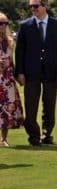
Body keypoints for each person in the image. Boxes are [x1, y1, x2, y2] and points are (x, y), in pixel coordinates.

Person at [14, 0, 57, 146]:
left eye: (36, 6)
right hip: (31, 72)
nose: (33, 9)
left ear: (45, 6)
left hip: (52, 72)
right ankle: (34, 136)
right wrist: (20, 72)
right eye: (31, 6)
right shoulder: (25, 26)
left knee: (49, 106)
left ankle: (47, 134)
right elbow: (20, 51)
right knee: (31, 107)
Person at [0, 11, 25, 146]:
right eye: (0, 23)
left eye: (5, 23)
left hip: (8, 80)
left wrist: (17, 76)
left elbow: (12, 61)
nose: (3, 26)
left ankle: (4, 139)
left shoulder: (9, 42)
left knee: (8, 109)